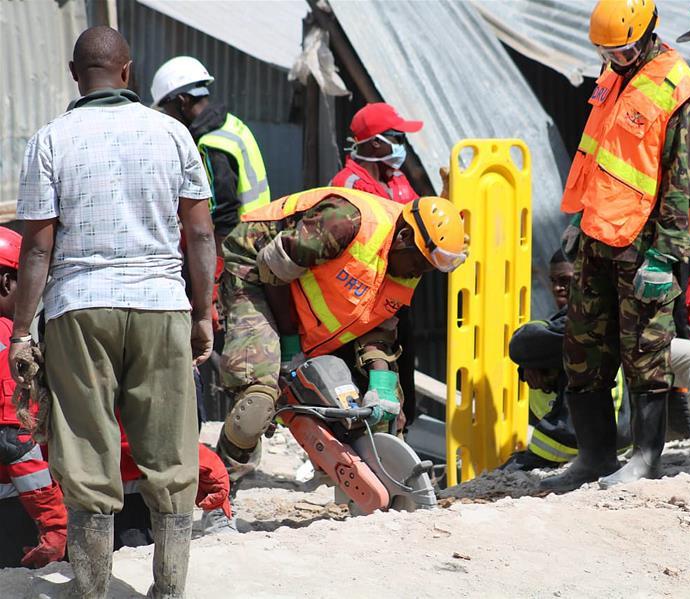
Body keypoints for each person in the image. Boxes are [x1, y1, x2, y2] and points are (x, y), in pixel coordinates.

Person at [12, 26, 215, 598]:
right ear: (127, 73)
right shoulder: (173, 135)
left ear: (76, 75)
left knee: (86, 450)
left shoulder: (51, 140)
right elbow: (199, 234)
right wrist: (202, 312)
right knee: (172, 453)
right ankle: (169, 589)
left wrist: (23, 330)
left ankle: (92, 588)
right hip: (160, 305)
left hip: (80, 308)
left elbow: (37, 247)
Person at [541, 0, 690, 493]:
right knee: (583, 348)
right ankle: (594, 457)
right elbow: (600, 156)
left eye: (626, 48)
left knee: (645, 354)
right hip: (597, 237)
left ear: (650, 33)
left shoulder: (677, 88)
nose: (617, 57)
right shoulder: (613, 75)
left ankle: (646, 459)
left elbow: (683, 181)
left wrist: (665, 254)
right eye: (608, 50)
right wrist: (577, 223)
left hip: (645, 245)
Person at [214, 188, 466, 487]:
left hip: (297, 287)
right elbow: (273, 266)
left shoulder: (409, 261)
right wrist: (291, 345)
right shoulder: (345, 221)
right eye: (420, 264)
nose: (418, 274)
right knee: (258, 399)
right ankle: (220, 496)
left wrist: (381, 385)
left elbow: (378, 324)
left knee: (386, 410)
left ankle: (379, 493)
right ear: (404, 238)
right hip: (255, 266)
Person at [331, 103, 425, 427]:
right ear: (375, 143)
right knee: (365, 383)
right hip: (361, 304)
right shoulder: (348, 186)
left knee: (403, 390)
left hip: (398, 300)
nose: (402, 145)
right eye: (396, 137)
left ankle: (398, 449)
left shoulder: (396, 180)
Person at [503, 250, 630, 471]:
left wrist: (531, 356)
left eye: (565, 281)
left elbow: (520, 345)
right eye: (553, 281)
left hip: (585, 435)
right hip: (607, 434)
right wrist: (531, 364)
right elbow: (536, 344)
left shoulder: (589, 318)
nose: (556, 288)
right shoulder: (571, 317)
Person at [0, 228, 67, 570]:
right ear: (6, 283)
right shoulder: (6, 342)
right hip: (12, 511)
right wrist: (55, 526)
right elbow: (15, 442)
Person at [151, 56, 271, 246]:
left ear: (182, 101)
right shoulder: (231, 124)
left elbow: (224, 216)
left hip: (237, 247)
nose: (168, 116)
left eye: (167, 109)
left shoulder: (212, 145)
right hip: (257, 234)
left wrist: (218, 267)